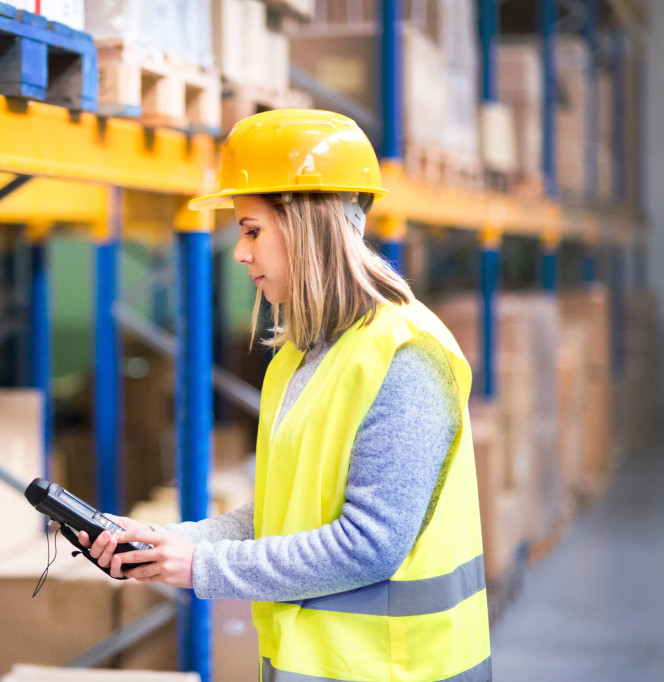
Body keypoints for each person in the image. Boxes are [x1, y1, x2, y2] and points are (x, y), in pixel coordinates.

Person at [80, 109, 492, 681]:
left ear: (308, 225)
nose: (240, 253)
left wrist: (198, 565)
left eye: (251, 230)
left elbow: (369, 545)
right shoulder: (299, 355)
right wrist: (166, 543)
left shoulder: (406, 356)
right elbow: (282, 514)